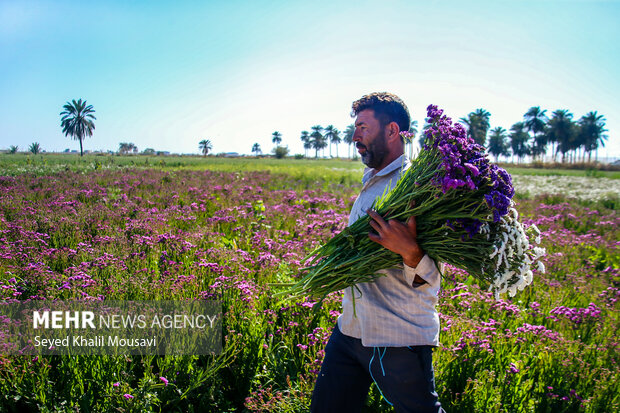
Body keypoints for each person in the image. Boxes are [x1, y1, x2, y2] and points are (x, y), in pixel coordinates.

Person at [310, 92, 445, 413]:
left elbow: (433, 281)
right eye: (355, 127)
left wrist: (410, 252)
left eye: (363, 127)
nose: (355, 136)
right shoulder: (372, 180)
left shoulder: (416, 186)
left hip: (397, 336)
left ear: (392, 131)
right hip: (351, 328)